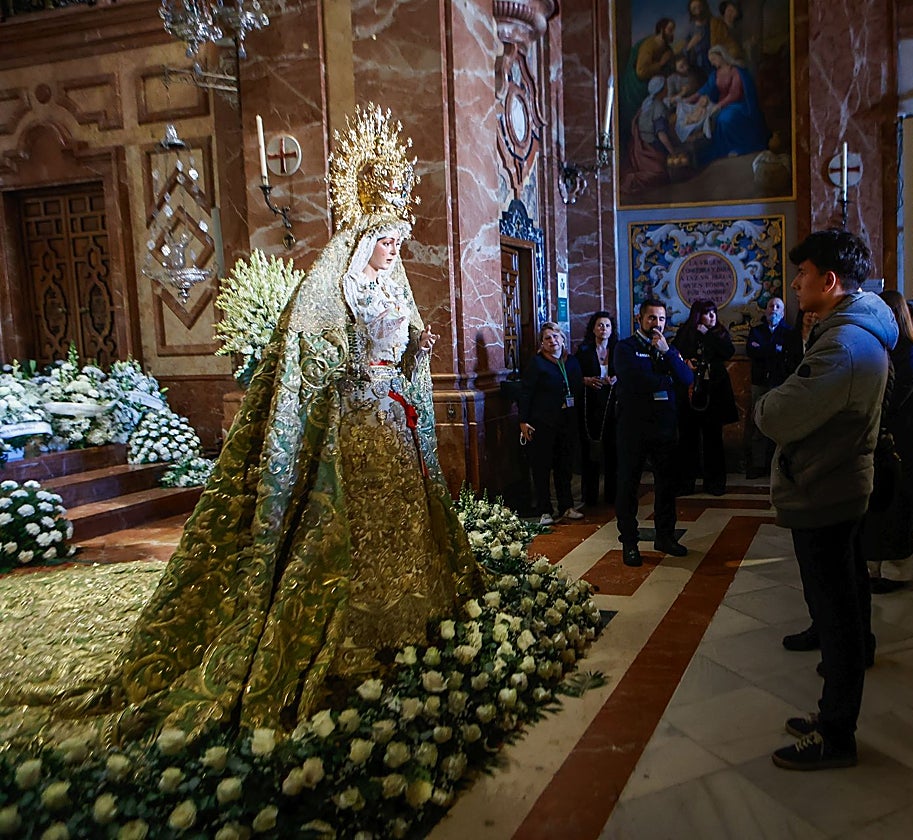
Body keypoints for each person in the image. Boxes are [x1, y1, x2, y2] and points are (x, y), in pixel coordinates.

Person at [65, 105, 484, 740]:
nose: (393, 250)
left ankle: (408, 612)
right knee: (350, 527)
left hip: (391, 420)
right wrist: (352, 367)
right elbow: (305, 346)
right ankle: (354, 624)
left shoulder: (396, 289)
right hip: (354, 423)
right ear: (363, 235)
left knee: (405, 520)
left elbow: (414, 341)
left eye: (399, 241)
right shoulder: (334, 288)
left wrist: (415, 353)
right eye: (386, 239)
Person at [755, 229, 897, 771]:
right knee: (841, 607)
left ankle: (837, 734)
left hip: (826, 486)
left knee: (834, 619)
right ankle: (832, 714)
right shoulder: (855, 327)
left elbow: (778, 414)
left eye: (803, 274)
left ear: (829, 280)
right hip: (836, 480)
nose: (795, 284)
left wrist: (768, 402)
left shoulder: (843, 344)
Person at [613, 298, 695, 566]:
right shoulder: (625, 348)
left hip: (665, 428)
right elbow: (635, 380)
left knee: (667, 486)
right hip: (633, 428)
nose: (657, 324)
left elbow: (687, 379)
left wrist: (669, 353)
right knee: (628, 486)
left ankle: (665, 536)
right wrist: (667, 380)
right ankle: (629, 542)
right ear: (640, 319)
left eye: (661, 319)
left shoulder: (668, 349)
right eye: (651, 318)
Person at [861, 290, 913, 594]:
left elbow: (897, 398)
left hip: (899, 438)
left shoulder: (911, 353)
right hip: (876, 437)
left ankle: (897, 570)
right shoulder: (878, 347)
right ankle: (872, 564)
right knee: (874, 507)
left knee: (896, 504)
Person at [519, 322, 585, 526]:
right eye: (547, 338)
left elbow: (578, 389)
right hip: (543, 422)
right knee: (542, 467)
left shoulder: (571, 362)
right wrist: (523, 421)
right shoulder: (537, 364)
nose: (552, 341)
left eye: (556, 337)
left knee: (564, 466)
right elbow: (526, 393)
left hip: (567, 422)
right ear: (542, 344)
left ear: (563, 339)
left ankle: (566, 506)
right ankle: (545, 510)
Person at [672, 298, 738, 495]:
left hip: (714, 391)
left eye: (713, 313)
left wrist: (708, 335)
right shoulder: (685, 331)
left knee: (713, 440)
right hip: (691, 390)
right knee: (687, 439)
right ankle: (685, 482)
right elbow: (675, 352)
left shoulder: (718, 332)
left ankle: (715, 483)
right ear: (697, 315)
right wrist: (687, 362)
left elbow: (728, 352)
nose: (712, 317)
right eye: (707, 313)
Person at [687, 44, 768, 166]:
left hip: (738, 104)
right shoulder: (715, 74)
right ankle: (727, 148)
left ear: (722, 56)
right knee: (716, 118)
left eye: (714, 59)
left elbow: (734, 94)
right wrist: (688, 99)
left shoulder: (735, 71)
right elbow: (704, 90)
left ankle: (737, 147)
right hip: (722, 104)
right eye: (711, 61)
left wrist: (719, 105)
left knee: (726, 118)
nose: (713, 63)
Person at [744, 296, 792, 478]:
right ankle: (758, 465)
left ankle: (777, 464)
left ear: (783, 311)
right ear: (765, 310)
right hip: (760, 383)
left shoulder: (788, 332)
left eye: (778, 306)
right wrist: (774, 349)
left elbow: (784, 354)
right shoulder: (756, 331)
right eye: (771, 306)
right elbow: (752, 351)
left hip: (780, 383)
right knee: (757, 424)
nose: (773, 309)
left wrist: (764, 349)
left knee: (780, 423)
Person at [575, 310, 619, 507]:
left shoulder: (619, 349)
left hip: (613, 404)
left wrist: (617, 378)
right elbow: (575, 375)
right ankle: (589, 496)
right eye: (600, 325)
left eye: (607, 325)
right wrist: (585, 380)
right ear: (593, 328)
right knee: (590, 451)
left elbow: (628, 372)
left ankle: (612, 495)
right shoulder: (584, 351)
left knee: (613, 451)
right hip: (590, 404)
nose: (604, 329)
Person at [619, 17, 676, 143]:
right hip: (637, 88)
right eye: (670, 30)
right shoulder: (649, 45)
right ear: (662, 30)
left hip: (656, 88)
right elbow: (641, 72)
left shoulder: (667, 49)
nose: (672, 34)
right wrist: (661, 64)